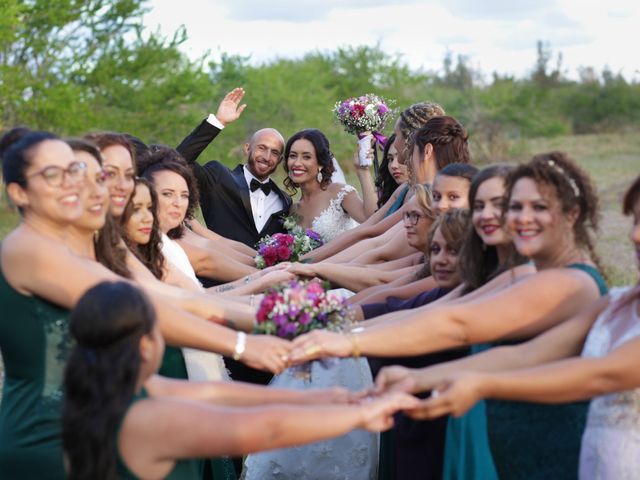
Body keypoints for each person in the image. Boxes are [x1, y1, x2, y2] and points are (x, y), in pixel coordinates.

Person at [0, 131, 292, 479]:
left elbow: (176, 299)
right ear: (19, 192)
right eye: (100, 174)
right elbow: (148, 307)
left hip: (100, 424)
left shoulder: (100, 245)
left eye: (127, 174)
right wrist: (245, 342)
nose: (117, 186)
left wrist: (277, 318)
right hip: (43, 435)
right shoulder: (30, 250)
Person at [386, 175, 640, 480]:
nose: (635, 235)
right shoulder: (619, 300)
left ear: (571, 215)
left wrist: (483, 384)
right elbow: (526, 355)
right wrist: (415, 378)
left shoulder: (574, 282)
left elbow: (601, 374)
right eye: (635, 221)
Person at [61, 280, 419, 480]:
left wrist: (318, 399)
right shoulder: (148, 419)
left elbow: (215, 391)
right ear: (144, 343)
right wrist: (362, 414)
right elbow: (266, 429)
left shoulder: (117, 393)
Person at [176, 88, 292, 248]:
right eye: (261, 148)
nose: (266, 157)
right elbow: (179, 160)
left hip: (269, 273)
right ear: (247, 148)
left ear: (279, 160)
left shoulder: (285, 201)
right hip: (218, 269)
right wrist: (218, 122)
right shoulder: (218, 177)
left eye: (274, 152)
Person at [284, 128, 377, 243]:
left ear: (320, 163)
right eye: (293, 156)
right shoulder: (293, 211)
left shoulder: (339, 193)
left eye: (306, 157)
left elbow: (372, 218)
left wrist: (363, 171)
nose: (297, 163)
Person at [374, 133, 408, 213]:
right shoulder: (390, 194)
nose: (393, 165)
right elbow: (371, 219)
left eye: (401, 157)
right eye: (390, 159)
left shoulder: (421, 195)